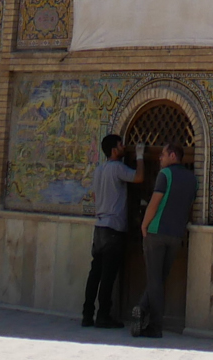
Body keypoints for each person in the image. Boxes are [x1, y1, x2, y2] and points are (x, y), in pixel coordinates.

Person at [131, 142, 196, 339]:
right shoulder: (193, 179)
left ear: (173, 155)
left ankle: (155, 326)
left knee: (154, 280)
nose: (160, 158)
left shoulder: (165, 175)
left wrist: (144, 224)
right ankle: (141, 309)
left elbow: (155, 201)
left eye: (163, 154)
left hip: (157, 231)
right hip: (176, 235)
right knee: (159, 280)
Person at [81, 132, 140, 328]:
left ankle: (87, 314)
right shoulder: (117, 168)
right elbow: (139, 177)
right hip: (113, 228)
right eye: (121, 145)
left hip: (99, 226)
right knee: (108, 275)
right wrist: (140, 156)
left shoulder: (99, 170)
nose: (124, 147)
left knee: (95, 273)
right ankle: (104, 315)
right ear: (114, 150)